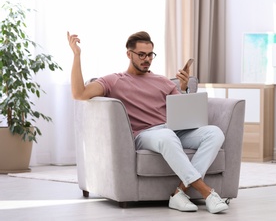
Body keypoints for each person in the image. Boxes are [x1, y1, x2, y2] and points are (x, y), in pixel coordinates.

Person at [67, 31, 229, 214]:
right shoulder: (113, 81)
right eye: (141, 55)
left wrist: (183, 90)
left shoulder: (163, 81)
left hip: (172, 130)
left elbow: (183, 112)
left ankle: (180, 193)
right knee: (167, 136)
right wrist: (76, 55)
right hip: (145, 135)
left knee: (215, 133)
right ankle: (207, 193)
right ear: (129, 54)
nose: (147, 59)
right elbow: (79, 93)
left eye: (150, 54)